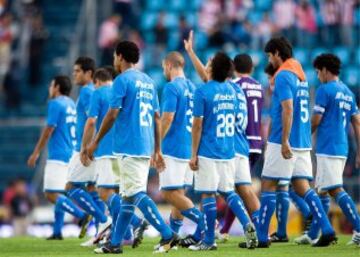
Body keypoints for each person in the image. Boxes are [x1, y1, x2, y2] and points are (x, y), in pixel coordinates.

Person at [86, 41, 178, 254]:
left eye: (114, 56)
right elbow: (156, 117)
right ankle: (115, 244)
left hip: (129, 144)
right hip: (144, 144)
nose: (113, 60)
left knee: (135, 193)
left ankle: (167, 234)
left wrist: (96, 141)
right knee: (127, 196)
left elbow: (112, 113)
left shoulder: (121, 80)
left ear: (119, 56)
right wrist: (157, 149)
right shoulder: (148, 81)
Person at [255, 37, 337, 248]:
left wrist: (283, 141)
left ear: (276, 53)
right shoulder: (301, 74)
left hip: (285, 140)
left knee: (268, 184)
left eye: (269, 56)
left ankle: (262, 238)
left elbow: (288, 108)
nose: (269, 60)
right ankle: (327, 229)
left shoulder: (283, 75)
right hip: (302, 140)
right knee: (302, 186)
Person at [184, 31, 257, 250]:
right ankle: (248, 225)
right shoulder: (234, 91)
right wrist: (191, 53)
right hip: (229, 150)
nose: (206, 67)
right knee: (229, 192)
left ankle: (208, 241)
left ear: (213, 69)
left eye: (209, 64)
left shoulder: (202, 91)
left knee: (207, 193)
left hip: (208, 149)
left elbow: (197, 125)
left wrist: (193, 154)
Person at [296, 53, 360, 246]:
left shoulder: (325, 90)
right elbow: (356, 121)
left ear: (324, 70)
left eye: (317, 72)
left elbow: (316, 120)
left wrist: (303, 137)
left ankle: (358, 228)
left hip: (328, 146)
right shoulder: (347, 92)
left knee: (334, 189)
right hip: (342, 147)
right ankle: (314, 233)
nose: (317, 76)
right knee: (322, 190)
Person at [80, 68, 147, 247]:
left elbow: (92, 121)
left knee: (104, 192)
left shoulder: (98, 93)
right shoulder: (122, 90)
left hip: (105, 150)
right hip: (122, 148)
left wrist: (85, 147)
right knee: (120, 193)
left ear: (97, 81)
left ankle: (135, 221)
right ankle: (124, 234)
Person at [27, 75, 88, 240]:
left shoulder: (55, 103)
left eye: (51, 85)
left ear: (57, 87)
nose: (49, 88)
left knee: (50, 194)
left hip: (58, 154)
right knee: (60, 193)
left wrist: (36, 152)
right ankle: (57, 231)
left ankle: (81, 215)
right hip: (70, 153)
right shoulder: (71, 104)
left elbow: (49, 129)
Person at [159, 51, 204, 247]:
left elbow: (167, 118)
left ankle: (207, 223)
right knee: (178, 194)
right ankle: (173, 236)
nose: (163, 71)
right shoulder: (194, 88)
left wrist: (156, 144)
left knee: (169, 194)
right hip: (188, 148)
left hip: (173, 147)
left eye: (163, 67)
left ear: (169, 65)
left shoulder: (171, 87)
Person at [218, 53, 262, 242]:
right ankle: (225, 230)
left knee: (240, 189)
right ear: (251, 68)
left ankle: (260, 229)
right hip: (256, 140)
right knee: (238, 188)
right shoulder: (258, 86)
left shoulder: (235, 86)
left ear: (235, 68)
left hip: (239, 139)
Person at [66, 57, 111, 239]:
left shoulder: (87, 92)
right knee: (93, 189)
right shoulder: (95, 91)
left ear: (89, 73)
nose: (74, 74)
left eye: (77, 71)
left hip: (85, 149)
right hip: (96, 148)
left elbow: (91, 122)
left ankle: (102, 219)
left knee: (71, 187)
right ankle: (102, 231)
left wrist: (86, 148)